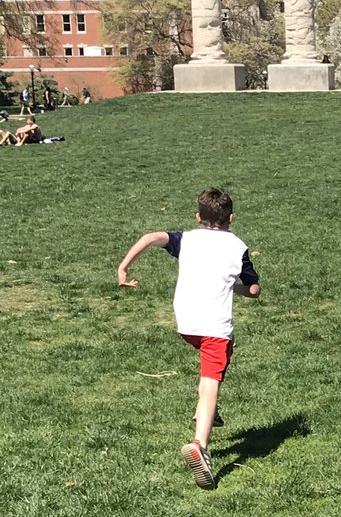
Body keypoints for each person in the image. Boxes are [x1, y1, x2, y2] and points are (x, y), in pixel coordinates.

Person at [116, 188, 261, 490]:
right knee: (210, 383)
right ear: (231, 218)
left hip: (186, 324)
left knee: (218, 365)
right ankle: (201, 445)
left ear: (198, 217)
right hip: (215, 327)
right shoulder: (238, 247)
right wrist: (236, 288)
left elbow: (148, 237)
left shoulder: (186, 239)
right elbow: (254, 289)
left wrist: (123, 267)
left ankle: (208, 413)